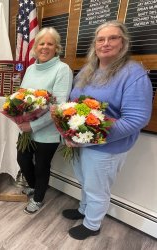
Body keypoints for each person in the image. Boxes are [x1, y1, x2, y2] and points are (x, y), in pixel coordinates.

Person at [62, 20, 153, 240]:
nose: (106, 43)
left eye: (113, 38)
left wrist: (89, 137)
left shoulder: (133, 74)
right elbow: (75, 104)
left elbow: (136, 119)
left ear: (123, 43)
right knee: (85, 181)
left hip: (107, 147)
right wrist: (70, 131)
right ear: (95, 44)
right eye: (101, 39)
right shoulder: (88, 69)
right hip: (79, 141)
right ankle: (84, 210)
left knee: (97, 188)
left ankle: (92, 224)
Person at [16, 27, 73, 214]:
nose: (45, 47)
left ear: (56, 47)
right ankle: (35, 187)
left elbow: (57, 107)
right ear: (35, 46)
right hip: (26, 128)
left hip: (46, 132)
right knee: (22, 160)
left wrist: (31, 125)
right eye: (41, 43)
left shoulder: (62, 70)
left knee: (41, 166)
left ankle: (38, 198)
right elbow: (22, 97)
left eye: (50, 43)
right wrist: (18, 115)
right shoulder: (31, 68)